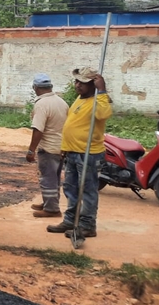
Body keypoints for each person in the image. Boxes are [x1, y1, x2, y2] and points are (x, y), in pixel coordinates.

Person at [47, 67, 112, 238]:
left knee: (88, 190)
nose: (78, 85)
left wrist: (102, 90)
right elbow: (72, 124)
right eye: (76, 81)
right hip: (73, 152)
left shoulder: (99, 101)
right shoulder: (80, 99)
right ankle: (70, 220)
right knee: (71, 188)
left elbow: (104, 114)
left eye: (83, 83)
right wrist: (65, 146)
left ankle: (87, 225)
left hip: (88, 154)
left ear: (93, 84)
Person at [26, 73, 69, 217]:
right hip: (60, 147)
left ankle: (51, 209)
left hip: (48, 148)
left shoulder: (42, 104)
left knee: (47, 178)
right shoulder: (61, 102)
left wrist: (31, 150)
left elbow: (38, 129)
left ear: (36, 88)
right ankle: (49, 203)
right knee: (55, 178)